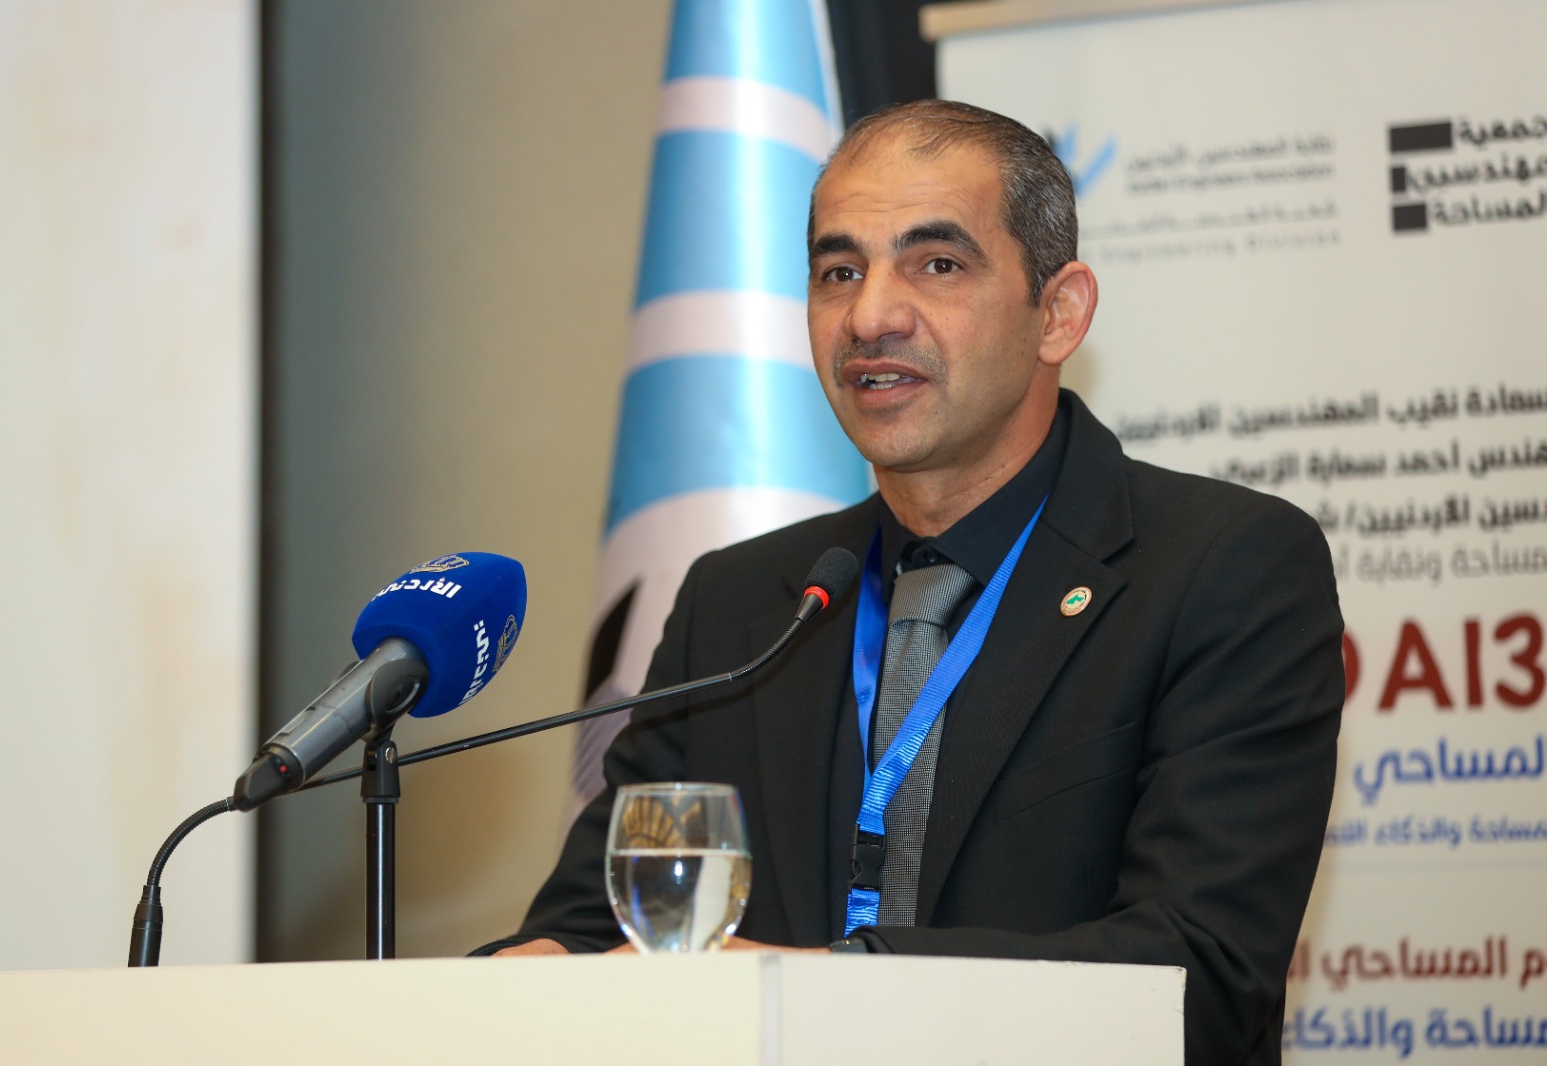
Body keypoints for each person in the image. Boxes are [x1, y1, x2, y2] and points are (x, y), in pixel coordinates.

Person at [475, 100, 1343, 1066]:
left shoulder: (1222, 567)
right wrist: (521, 976)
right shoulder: (741, 600)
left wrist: (828, 991)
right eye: (839, 272)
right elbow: (600, 924)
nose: (871, 316)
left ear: (1058, 313)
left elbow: (1199, 976)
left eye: (937, 264)